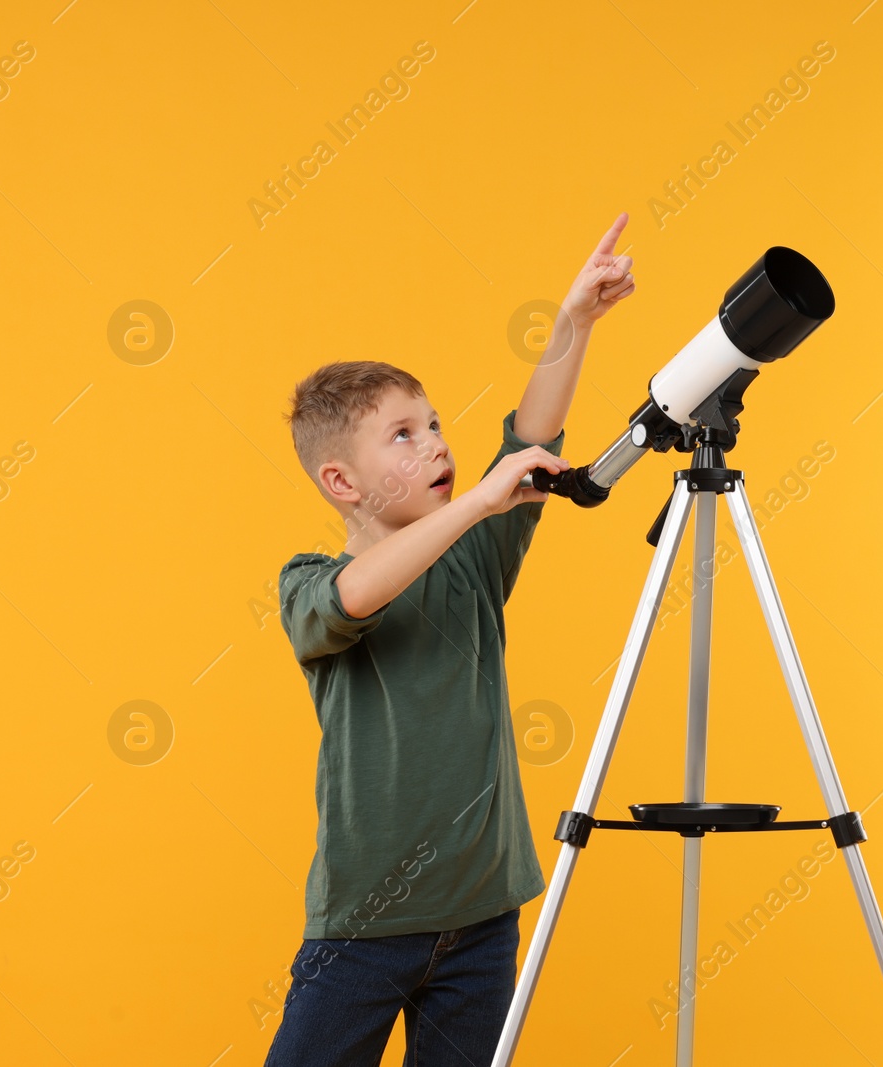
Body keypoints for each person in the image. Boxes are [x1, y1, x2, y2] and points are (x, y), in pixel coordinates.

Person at [264, 214, 635, 1066]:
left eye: (433, 424)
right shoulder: (309, 584)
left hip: (481, 919)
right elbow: (357, 593)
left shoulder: (473, 561)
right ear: (340, 480)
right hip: (364, 927)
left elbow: (531, 441)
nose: (437, 443)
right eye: (405, 434)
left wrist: (572, 322)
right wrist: (478, 501)